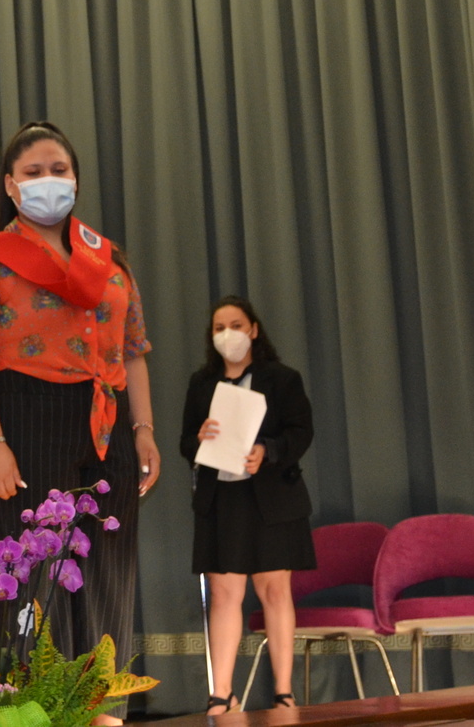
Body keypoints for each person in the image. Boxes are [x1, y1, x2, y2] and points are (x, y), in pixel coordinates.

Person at [0, 122, 160, 727]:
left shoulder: (108, 259)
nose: (48, 181)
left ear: (76, 180)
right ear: (10, 185)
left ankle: (104, 718)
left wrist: (143, 428)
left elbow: (134, 351)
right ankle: (30, 718)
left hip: (107, 424)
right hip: (25, 417)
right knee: (33, 580)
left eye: (58, 170)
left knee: (109, 579)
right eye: (34, 172)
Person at [179, 296, 315, 714]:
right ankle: (222, 694)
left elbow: (301, 432)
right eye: (219, 328)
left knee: (274, 591)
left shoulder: (282, 379)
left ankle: (284, 692)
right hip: (222, 499)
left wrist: (268, 450)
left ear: (254, 330)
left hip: (272, 499)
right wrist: (199, 439)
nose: (228, 335)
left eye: (236, 326)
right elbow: (185, 443)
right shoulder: (202, 383)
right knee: (223, 594)